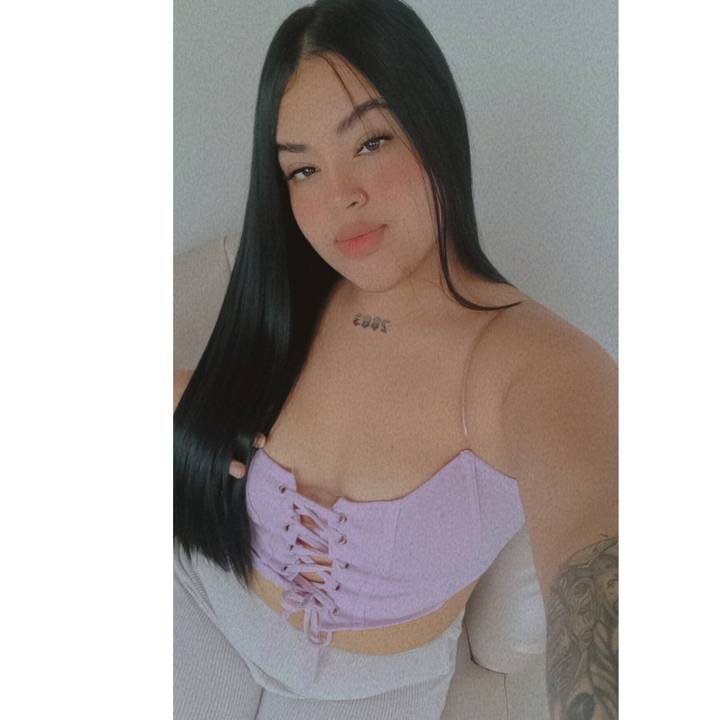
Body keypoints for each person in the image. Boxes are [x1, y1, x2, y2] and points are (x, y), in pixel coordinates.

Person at [174, 1, 618, 718]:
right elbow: (197, 394)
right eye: (302, 169)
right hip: (205, 594)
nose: (339, 197)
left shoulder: (538, 368)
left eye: (372, 141)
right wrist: (200, 428)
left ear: (434, 125)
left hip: (374, 685)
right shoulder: (292, 291)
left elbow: (599, 557)